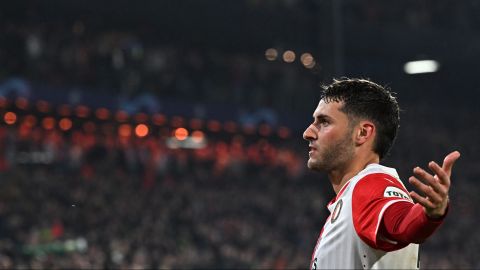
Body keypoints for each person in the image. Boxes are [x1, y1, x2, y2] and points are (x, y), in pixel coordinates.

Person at [303, 78, 460, 269]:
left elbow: (401, 223)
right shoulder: (350, 198)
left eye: (324, 122)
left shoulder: (371, 183)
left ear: (362, 133)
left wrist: (429, 215)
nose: (308, 132)